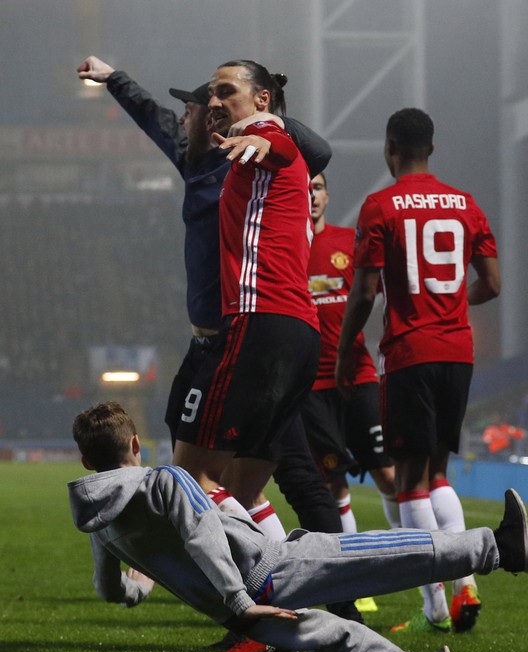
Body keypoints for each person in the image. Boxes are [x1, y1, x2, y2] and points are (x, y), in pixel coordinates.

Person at [69, 401, 528, 652]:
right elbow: (201, 531)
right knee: (386, 554)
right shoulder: (165, 479)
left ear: (88, 462)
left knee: (329, 638)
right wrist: (241, 598)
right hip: (263, 572)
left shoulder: (101, 525)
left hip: (234, 609)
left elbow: (110, 590)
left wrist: (144, 588)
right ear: (134, 442)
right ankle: (500, 547)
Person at [76, 56, 343, 546]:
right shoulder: (198, 161)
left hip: (249, 334)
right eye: (206, 101)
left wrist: (270, 129)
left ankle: (265, 587)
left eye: (200, 105)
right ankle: (265, 586)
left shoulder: (250, 153)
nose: (190, 114)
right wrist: (115, 77)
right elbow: (152, 115)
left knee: (223, 477)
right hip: (225, 340)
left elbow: (301, 147)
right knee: (229, 474)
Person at [336, 108, 501, 635]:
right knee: (438, 474)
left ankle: (435, 603)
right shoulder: (465, 204)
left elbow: (363, 292)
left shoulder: (381, 205)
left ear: (391, 148)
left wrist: (345, 350)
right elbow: (493, 284)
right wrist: (451, 303)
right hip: (458, 351)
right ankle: (465, 587)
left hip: (410, 352)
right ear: (432, 147)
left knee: (408, 482)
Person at [304, 172, 399, 535]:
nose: (312, 195)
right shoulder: (284, 249)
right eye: (305, 189)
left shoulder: (350, 243)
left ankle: (420, 572)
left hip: (358, 376)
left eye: (318, 188)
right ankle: (356, 587)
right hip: (311, 387)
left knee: (388, 474)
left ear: (328, 196)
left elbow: (380, 292)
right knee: (333, 485)